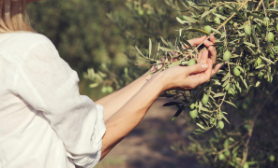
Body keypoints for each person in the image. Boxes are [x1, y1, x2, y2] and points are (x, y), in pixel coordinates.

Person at [0, 0, 222, 168]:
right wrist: (162, 82)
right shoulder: (26, 50)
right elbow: (91, 146)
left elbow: (87, 121)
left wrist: (157, 73)